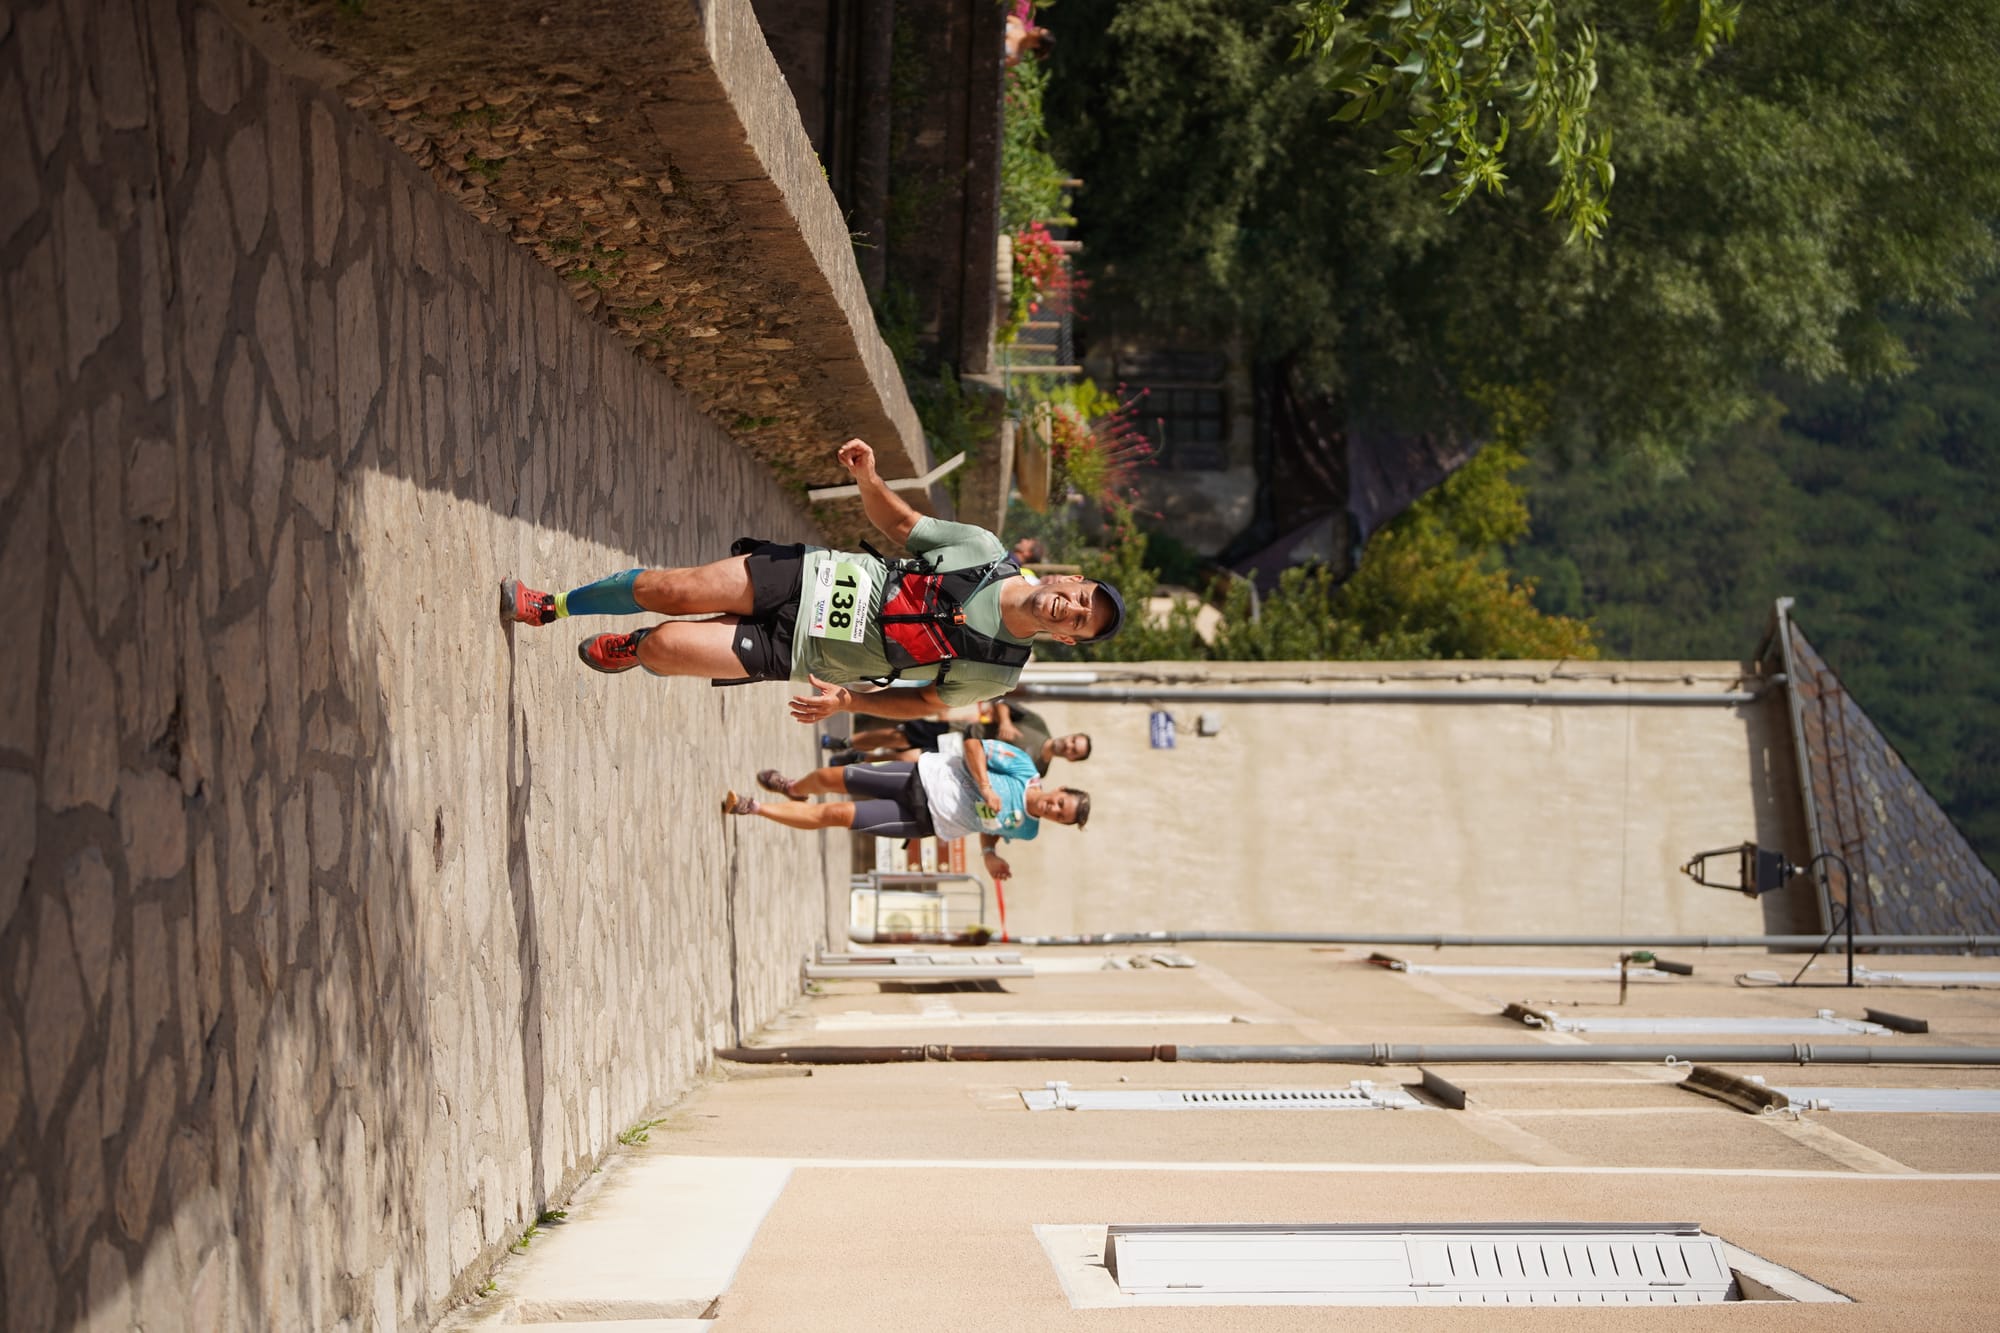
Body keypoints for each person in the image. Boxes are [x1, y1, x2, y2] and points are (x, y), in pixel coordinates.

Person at [500, 438, 1125, 723]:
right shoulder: (984, 550)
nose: (1068, 608)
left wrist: (849, 700)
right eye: (1079, 597)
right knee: (669, 589)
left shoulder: (998, 671)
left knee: (666, 644)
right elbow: (903, 525)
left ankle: (635, 650)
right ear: (1071, 578)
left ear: (1065, 639)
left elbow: (929, 703)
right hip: (816, 580)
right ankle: (550, 605)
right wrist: (868, 479)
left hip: (805, 652)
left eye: (1076, 620)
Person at [724, 737, 1088, 883]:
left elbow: (991, 826)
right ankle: (793, 788)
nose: (1054, 809)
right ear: (1058, 789)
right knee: (828, 777)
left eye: (1061, 815)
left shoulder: (1026, 829)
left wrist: (990, 853)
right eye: (1060, 802)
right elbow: (974, 745)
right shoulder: (1024, 768)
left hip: (923, 820)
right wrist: (987, 787)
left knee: (835, 815)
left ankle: (752, 807)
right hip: (920, 777)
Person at [839, 698, 1089, 777]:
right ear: (1070, 735)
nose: (1068, 746)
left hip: (959, 758)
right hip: (958, 732)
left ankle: (858, 760)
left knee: (907, 759)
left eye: (1073, 750)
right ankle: (848, 743)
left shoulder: (1037, 771)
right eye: (1072, 741)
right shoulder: (1038, 725)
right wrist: (1005, 722)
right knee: (898, 736)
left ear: (1071, 759)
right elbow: (1002, 702)